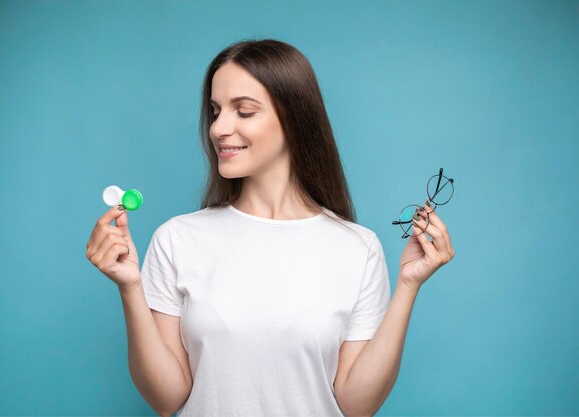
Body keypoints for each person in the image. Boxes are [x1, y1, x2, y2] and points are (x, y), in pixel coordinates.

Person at [85, 38, 455, 417]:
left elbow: (356, 405)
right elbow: (166, 399)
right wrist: (130, 286)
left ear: (294, 118)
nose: (218, 128)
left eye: (244, 112)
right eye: (215, 111)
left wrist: (409, 285)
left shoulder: (358, 248)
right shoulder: (178, 239)